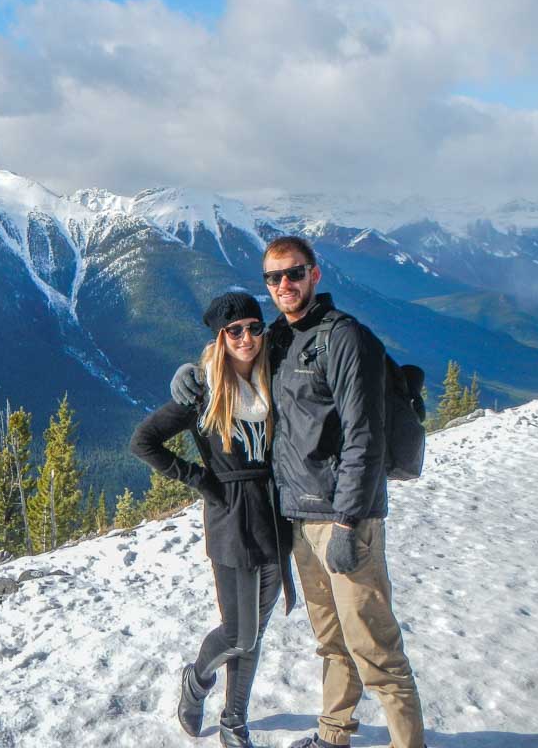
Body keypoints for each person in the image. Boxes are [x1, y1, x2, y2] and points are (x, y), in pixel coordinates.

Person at [172, 236, 427, 748]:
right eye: (274, 277)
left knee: (376, 649)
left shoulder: (344, 339)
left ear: (315, 274)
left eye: (294, 273)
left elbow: (364, 437)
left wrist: (348, 522)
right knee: (332, 642)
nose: (284, 284)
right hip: (298, 518)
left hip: (342, 518)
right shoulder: (280, 340)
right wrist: (191, 373)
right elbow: (233, 357)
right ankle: (334, 735)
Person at [130, 291, 295, 748]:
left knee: (254, 633)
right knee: (239, 632)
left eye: (254, 328)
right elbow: (144, 441)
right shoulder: (203, 391)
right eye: (234, 331)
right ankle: (197, 679)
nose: (246, 338)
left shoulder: (273, 378)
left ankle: (234, 721)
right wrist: (200, 479)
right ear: (220, 338)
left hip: (275, 517)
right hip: (232, 521)